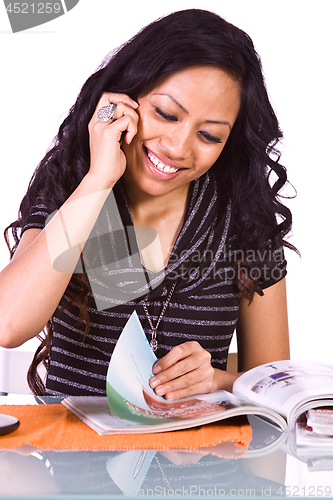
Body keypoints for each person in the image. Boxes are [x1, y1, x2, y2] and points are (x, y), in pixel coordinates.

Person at [0, 9, 294, 398]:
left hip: (200, 454)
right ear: (126, 97)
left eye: (208, 135)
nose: (177, 147)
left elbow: (275, 385)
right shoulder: (75, 185)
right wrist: (100, 179)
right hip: (76, 452)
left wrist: (216, 382)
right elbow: (8, 324)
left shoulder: (243, 216)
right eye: (166, 114)